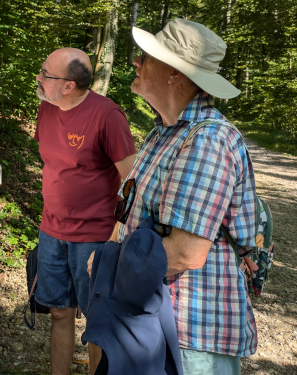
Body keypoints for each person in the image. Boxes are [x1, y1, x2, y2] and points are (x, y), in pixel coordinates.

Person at [89, 18, 257, 375]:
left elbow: (185, 252)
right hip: (149, 323)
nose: (136, 61)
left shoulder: (206, 140)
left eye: (146, 56)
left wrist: (106, 265)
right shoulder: (161, 135)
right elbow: (127, 215)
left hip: (189, 336)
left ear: (175, 74)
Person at [34, 47, 136, 375]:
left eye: (46, 74)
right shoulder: (46, 110)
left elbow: (133, 182)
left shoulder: (107, 116)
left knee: (97, 321)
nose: (39, 77)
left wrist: (114, 236)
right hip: (51, 232)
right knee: (59, 313)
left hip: (94, 237)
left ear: (69, 85)